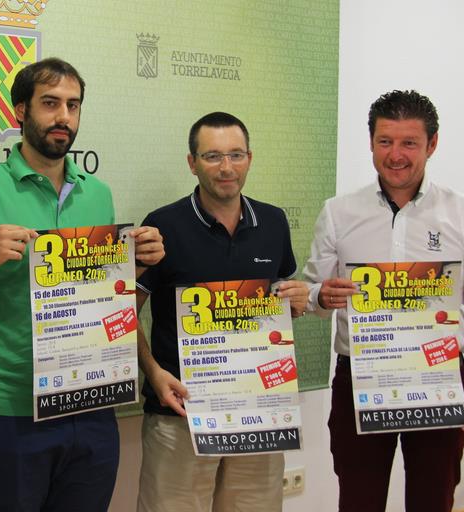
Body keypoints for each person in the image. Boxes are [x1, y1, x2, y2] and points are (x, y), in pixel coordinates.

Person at [0, 57, 164, 511]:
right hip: (6, 412)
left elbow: (95, 295)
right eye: (50, 104)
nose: (64, 118)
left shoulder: (98, 194)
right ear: (19, 111)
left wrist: (134, 265)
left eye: (73, 106)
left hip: (91, 403)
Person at [303, 90, 464, 512]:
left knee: (433, 500)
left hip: (438, 376)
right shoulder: (338, 212)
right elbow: (312, 293)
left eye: (409, 143)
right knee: (358, 501)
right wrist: (319, 295)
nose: (395, 155)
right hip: (360, 378)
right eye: (385, 142)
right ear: (370, 142)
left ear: (432, 145)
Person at [135, 112, 309, 512]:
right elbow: (124, 312)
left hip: (259, 413)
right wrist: (154, 373)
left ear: (250, 158)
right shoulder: (164, 225)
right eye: (212, 156)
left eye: (236, 155)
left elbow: (281, 301)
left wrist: (296, 301)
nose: (226, 168)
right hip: (179, 414)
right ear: (192, 163)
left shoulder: (274, 221)